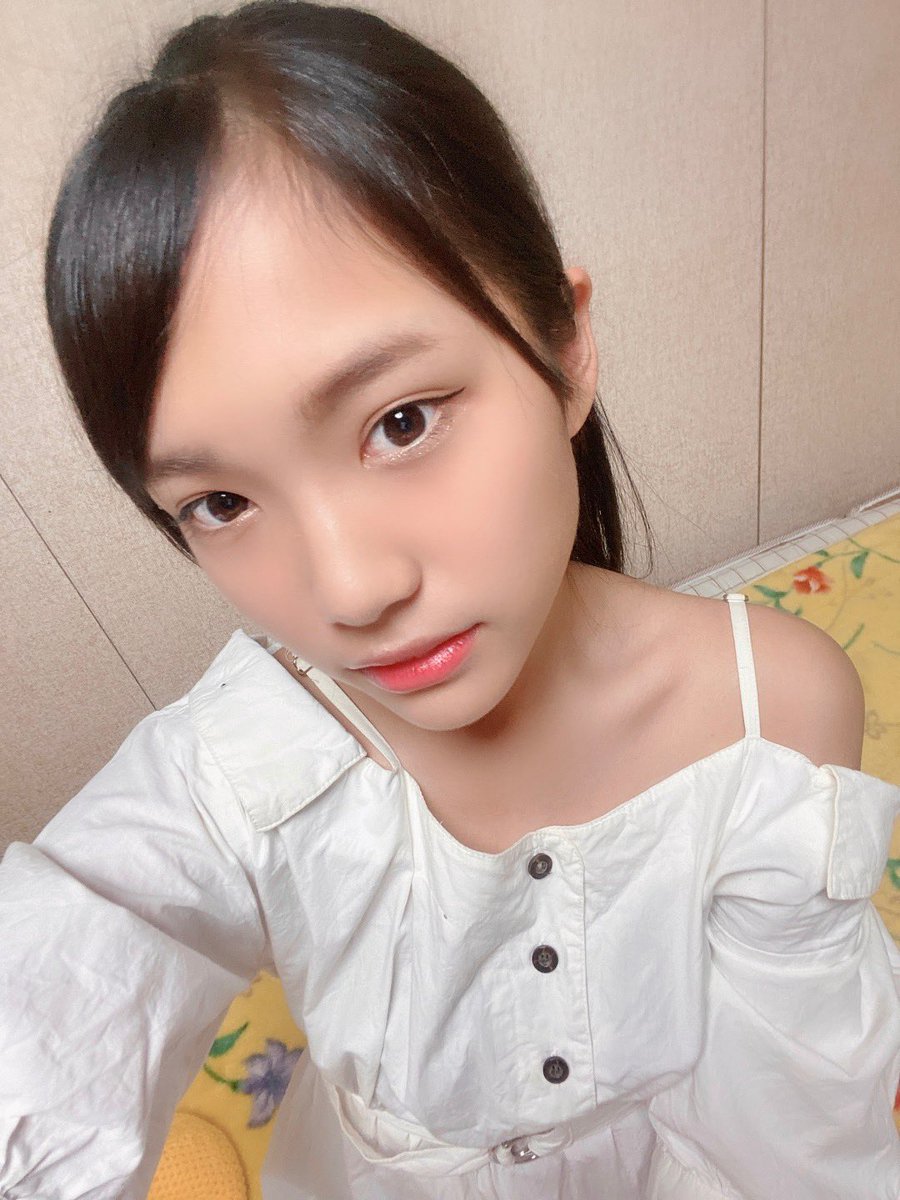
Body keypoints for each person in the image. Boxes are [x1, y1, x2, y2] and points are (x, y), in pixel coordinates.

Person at [2, 1, 899, 1196]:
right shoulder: (241, 767)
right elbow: (56, 985)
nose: (349, 589)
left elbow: (796, 1134)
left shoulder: (770, 715)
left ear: (565, 349)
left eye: (401, 421)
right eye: (219, 502)